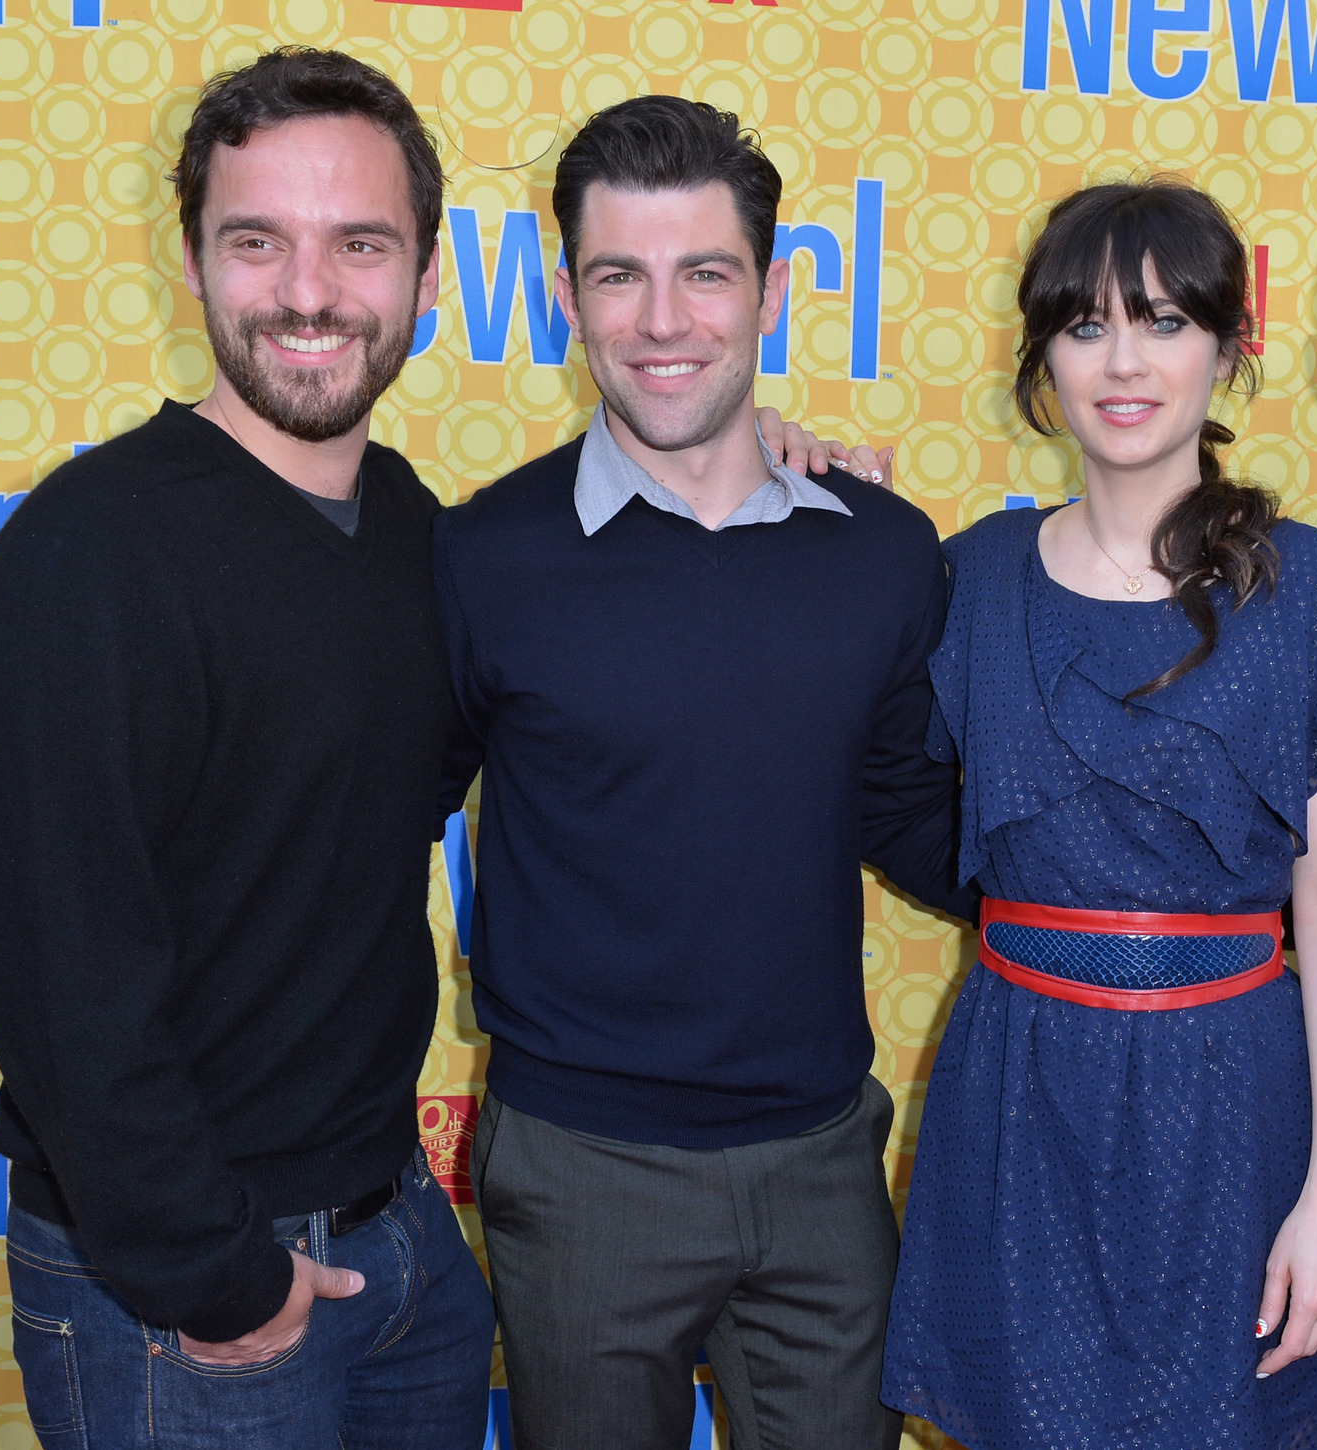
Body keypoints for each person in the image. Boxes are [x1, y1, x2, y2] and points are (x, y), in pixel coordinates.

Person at [0, 48, 498, 1450]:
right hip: (189, 1281)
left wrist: (757, 478)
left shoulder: (410, 526)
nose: (311, 292)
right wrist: (217, 1272)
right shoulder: (88, 555)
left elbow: (403, 794)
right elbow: (66, 976)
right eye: (258, 241)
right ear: (193, 262)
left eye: (359, 243)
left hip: (399, 1242)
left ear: (428, 279)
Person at [432, 95, 973, 1450]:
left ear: (775, 290)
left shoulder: (883, 549)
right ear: (565, 296)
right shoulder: (483, 558)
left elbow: (913, 815)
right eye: (621, 275)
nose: (664, 321)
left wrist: (1141, 910)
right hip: (579, 1165)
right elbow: (371, 824)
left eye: (706, 272)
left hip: (822, 1161)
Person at [881, 179, 1317, 1449]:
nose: (1122, 362)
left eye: (1164, 321)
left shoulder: (1314, 597)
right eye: (1084, 326)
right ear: (1041, 358)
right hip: (1017, 1094)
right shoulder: (966, 579)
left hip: (1235, 1101)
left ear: (1230, 349)